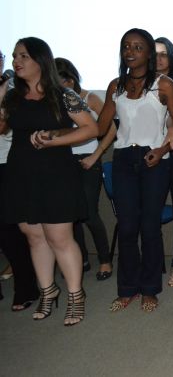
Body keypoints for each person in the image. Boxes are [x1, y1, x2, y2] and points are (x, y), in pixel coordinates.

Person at [0, 37, 99, 325]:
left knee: (59, 237)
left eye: (23, 56)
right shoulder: (12, 97)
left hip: (56, 173)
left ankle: (76, 295)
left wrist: (54, 140)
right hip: (21, 173)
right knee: (34, 236)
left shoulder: (62, 95)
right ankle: (47, 291)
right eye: (15, 56)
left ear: (40, 60)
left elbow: (90, 128)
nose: (16, 61)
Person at [98, 28, 173, 313]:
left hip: (154, 159)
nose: (130, 52)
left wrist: (162, 150)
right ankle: (127, 288)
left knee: (149, 226)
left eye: (137, 47)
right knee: (128, 227)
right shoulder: (115, 86)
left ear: (148, 54)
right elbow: (99, 127)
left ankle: (150, 289)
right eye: (126, 46)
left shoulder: (164, 84)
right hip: (123, 160)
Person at [55, 58, 116, 281]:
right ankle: (80, 259)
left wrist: (95, 155)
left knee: (90, 213)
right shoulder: (54, 101)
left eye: (59, 82)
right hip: (64, 162)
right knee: (71, 215)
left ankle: (105, 260)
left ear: (70, 80)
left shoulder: (90, 98)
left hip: (89, 160)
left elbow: (111, 129)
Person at [0, 48, 39, 311]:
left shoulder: (15, 89)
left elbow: (2, 127)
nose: (16, 61)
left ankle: (26, 288)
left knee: (12, 230)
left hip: (8, 164)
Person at [155, 37, 173, 288]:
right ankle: (153, 265)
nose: (159, 59)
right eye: (154, 54)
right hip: (150, 156)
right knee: (150, 213)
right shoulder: (138, 85)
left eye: (164, 54)